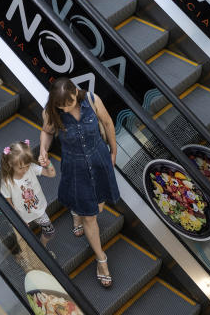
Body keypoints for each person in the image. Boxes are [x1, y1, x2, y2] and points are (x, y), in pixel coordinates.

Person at [39, 78, 120, 289]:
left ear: (76, 92)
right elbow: (47, 132)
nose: (66, 107)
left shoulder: (92, 100)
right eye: (61, 105)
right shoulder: (51, 112)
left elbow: (108, 122)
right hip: (75, 166)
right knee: (90, 216)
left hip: (99, 160)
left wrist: (113, 150)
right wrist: (43, 150)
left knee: (98, 206)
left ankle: (77, 213)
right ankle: (101, 260)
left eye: (70, 102)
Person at [0, 139, 56, 246]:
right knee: (22, 240)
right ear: (11, 164)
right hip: (21, 215)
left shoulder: (31, 168)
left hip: (38, 210)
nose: (25, 170)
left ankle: (42, 247)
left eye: (27, 165)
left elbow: (51, 174)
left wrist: (48, 164)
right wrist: (18, 219)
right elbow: (8, 201)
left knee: (50, 232)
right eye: (21, 167)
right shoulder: (7, 181)